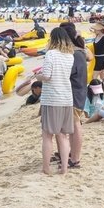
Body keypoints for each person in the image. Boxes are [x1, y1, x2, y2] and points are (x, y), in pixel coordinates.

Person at [34, 27, 75, 175]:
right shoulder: (70, 55)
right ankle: (64, 168)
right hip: (66, 98)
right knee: (63, 135)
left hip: (52, 98)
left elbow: (47, 76)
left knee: (47, 135)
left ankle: (46, 168)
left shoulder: (50, 54)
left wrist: (38, 76)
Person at [60, 22, 93, 169]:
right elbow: (90, 57)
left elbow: (66, 74)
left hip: (74, 92)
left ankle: (75, 158)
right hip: (79, 91)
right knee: (74, 125)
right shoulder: (79, 51)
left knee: (75, 124)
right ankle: (72, 154)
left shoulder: (73, 54)